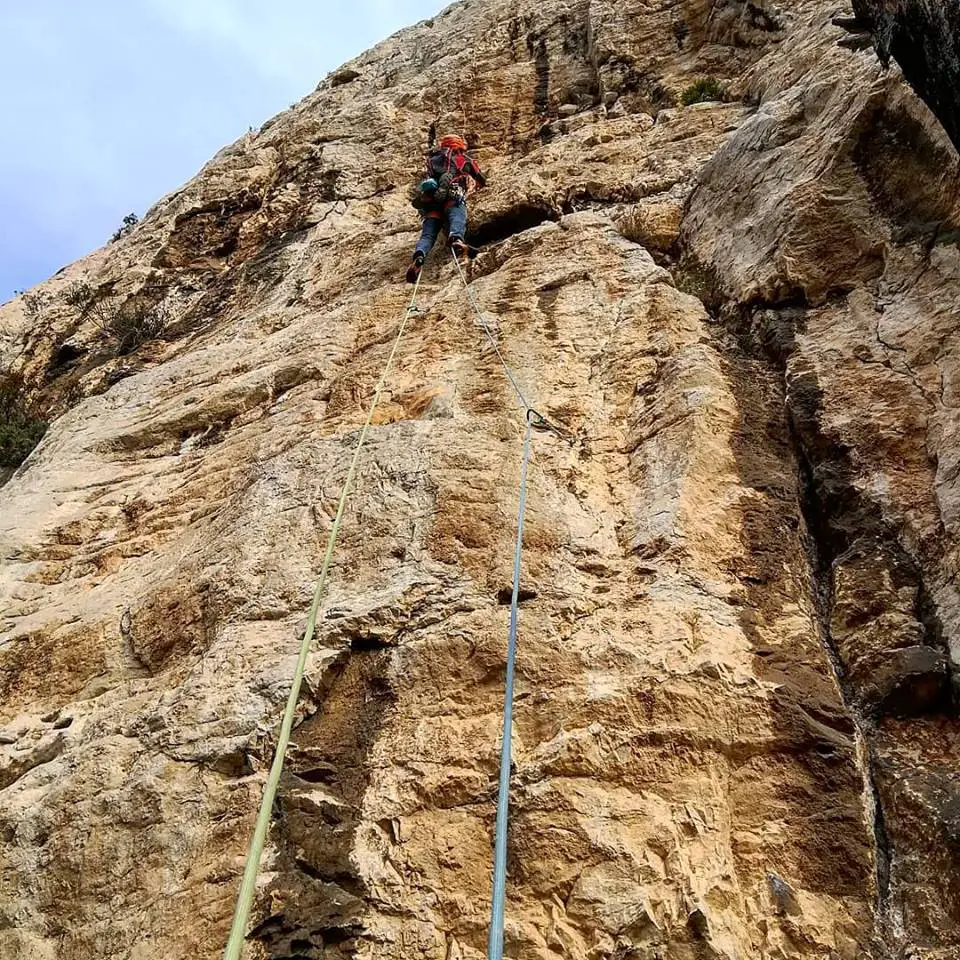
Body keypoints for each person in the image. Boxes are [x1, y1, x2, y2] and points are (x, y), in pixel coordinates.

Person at [406, 134, 487, 283]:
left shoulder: (432, 159)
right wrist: (480, 186)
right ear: (459, 145)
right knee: (457, 216)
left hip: (432, 202)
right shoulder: (463, 158)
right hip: (452, 196)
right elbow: (480, 177)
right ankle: (456, 239)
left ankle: (419, 255)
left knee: (428, 235)